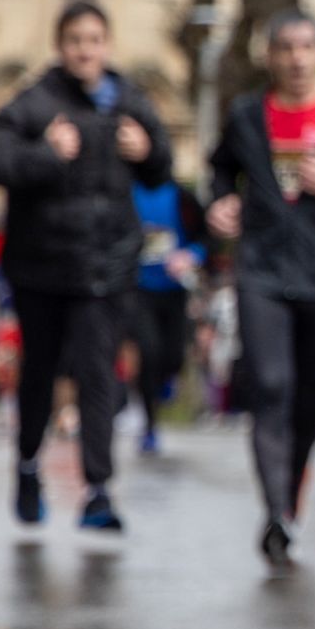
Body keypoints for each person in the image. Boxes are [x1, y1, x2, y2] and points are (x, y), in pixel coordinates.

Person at [0, 0, 173, 530]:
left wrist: (147, 149)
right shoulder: (36, 101)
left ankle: (99, 491)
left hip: (105, 266)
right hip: (41, 266)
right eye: (75, 40)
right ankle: (28, 465)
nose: (86, 50)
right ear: (60, 47)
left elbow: (163, 170)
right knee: (39, 372)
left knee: (98, 373)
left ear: (107, 45)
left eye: (94, 40)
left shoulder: (126, 99)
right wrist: (44, 154)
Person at [207, 9, 315, 572]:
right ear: (270, 55)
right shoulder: (246, 115)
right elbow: (217, 172)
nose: (296, 59)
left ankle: (291, 496)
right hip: (259, 268)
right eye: (285, 48)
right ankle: (276, 509)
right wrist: (220, 203)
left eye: (307, 46)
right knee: (270, 386)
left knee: (308, 400)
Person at [129, 177, 208, 454]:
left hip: (175, 290)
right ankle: (149, 425)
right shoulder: (126, 191)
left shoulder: (182, 195)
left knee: (173, 354)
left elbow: (204, 237)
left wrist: (191, 256)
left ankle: (167, 379)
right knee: (148, 352)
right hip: (138, 289)